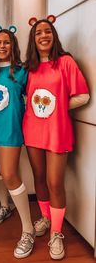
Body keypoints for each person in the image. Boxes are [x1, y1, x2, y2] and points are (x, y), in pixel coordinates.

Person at [23, 15, 90, 260]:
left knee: (54, 182)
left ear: (54, 36)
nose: (43, 35)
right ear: (33, 38)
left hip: (57, 131)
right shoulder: (28, 67)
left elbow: (82, 95)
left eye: (47, 32)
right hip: (32, 130)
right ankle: (45, 217)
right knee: (38, 177)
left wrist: (58, 106)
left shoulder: (65, 62)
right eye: (38, 32)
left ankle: (56, 232)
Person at [0, 26, 35, 259]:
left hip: (11, 129)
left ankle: (28, 230)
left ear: (13, 46)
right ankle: (5, 206)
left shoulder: (22, 71)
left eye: (7, 42)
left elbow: (33, 99)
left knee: (11, 174)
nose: (2, 46)